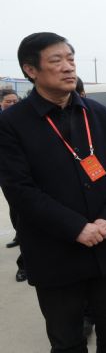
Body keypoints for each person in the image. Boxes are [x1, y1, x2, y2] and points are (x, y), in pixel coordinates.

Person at [0, 32, 106, 353]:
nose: (68, 67)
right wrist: (76, 228)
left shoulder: (98, 114)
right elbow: (19, 189)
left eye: (71, 59)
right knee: (67, 340)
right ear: (31, 70)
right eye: (56, 61)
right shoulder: (11, 124)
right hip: (54, 252)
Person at [0, 88, 26, 282]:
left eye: (15, 101)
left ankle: (25, 264)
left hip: (27, 177)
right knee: (16, 210)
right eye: (8, 101)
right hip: (8, 176)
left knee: (27, 218)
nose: (12, 104)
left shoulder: (24, 120)